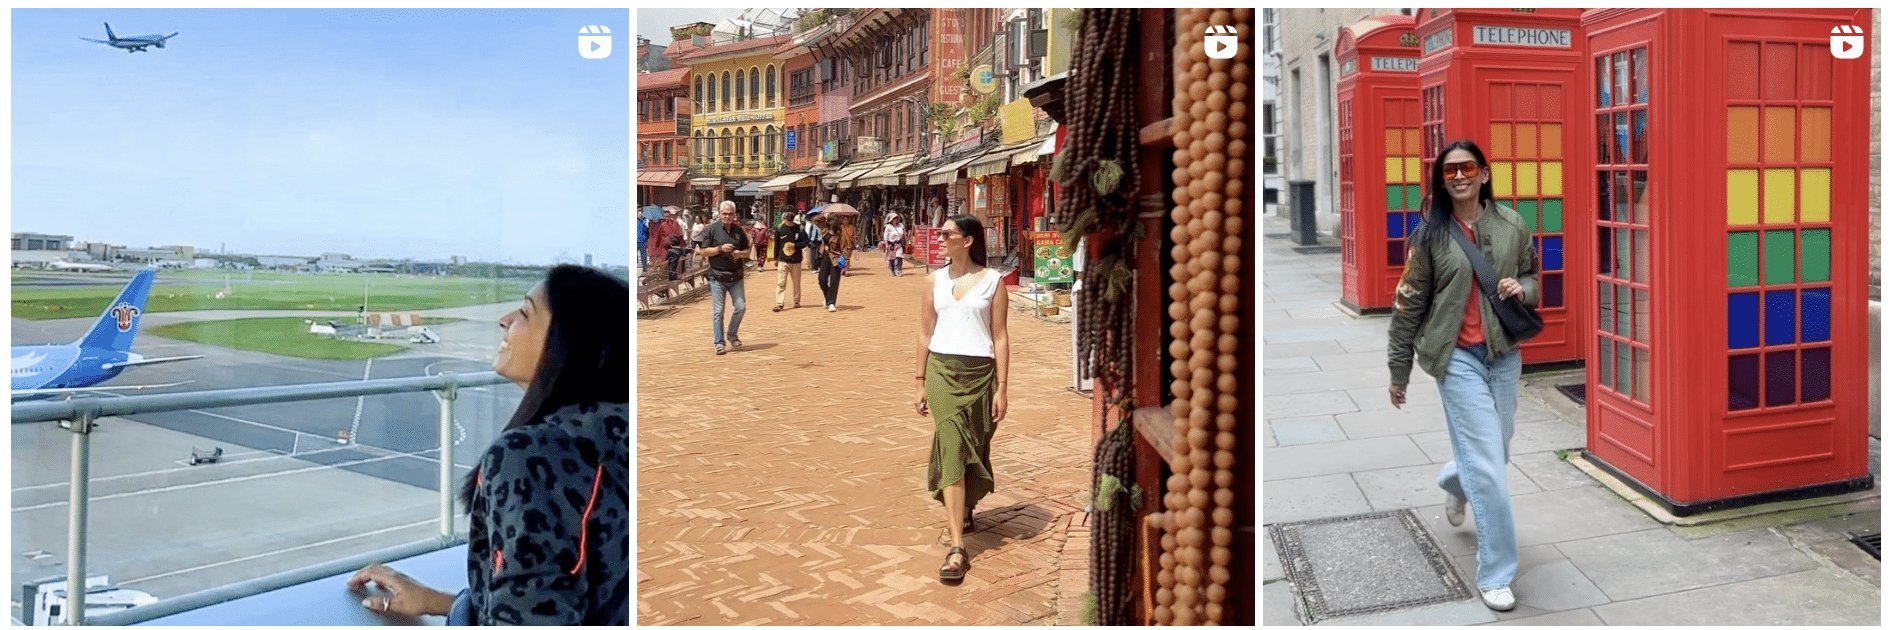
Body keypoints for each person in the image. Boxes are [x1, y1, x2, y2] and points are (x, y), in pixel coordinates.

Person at [348, 264, 629, 625]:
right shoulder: (615, 432)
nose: (505, 319)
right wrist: (447, 604)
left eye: (526, 312)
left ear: (570, 342)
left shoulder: (533, 455)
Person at [1387, 139, 1538, 612]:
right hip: (1456, 359)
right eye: (1450, 170)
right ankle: (1496, 573)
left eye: (1467, 167)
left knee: (1497, 451)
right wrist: (1399, 369)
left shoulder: (1512, 224)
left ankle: (1456, 480)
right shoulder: (1430, 235)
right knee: (1491, 470)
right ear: (1442, 178)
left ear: (1484, 173)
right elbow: (1408, 303)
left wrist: (1523, 287)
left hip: (1503, 355)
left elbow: (1536, 277)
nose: (1458, 176)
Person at [914, 214, 1010, 582]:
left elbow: (999, 336)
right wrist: (920, 380)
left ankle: (967, 505)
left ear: (967, 241)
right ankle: (957, 547)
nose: (939, 238)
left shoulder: (993, 282)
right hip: (941, 372)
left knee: (976, 444)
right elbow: (925, 332)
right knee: (951, 445)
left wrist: (1003, 386)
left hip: (981, 375)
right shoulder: (932, 281)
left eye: (946, 234)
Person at [693, 201, 751, 354]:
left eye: (730, 214)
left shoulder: (739, 231)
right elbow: (703, 251)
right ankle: (719, 342)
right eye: (724, 214)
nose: (727, 216)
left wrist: (741, 254)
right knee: (718, 311)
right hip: (717, 277)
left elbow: (748, 251)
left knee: (740, 307)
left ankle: (732, 334)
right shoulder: (712, 230)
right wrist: (720, 249)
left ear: (734, 215)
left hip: (736, 276)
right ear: (719, 214)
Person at [773, 211, 809, 311]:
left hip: (796, 260)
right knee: (781, 282)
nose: (789, 214)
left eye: (791, 212)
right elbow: (776, 244)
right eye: (787, 212)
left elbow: (806, 242)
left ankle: (796, 301)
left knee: (796, 283)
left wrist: (795, 246)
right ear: (784, 216)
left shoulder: (799, 228)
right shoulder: (779, 229)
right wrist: (776, 258)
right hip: (783, 260)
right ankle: (779, 303)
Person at [812, 214, 847, 312]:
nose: (831, 225)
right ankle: (828, 298)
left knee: (834, 282)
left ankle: (831, 302)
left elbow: (844, 249)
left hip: (835, 258)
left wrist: (845, 264)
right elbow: (815, 220)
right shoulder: (824, 230)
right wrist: (824, 216)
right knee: (822, 280)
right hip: (824, 257)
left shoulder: (839, 235)